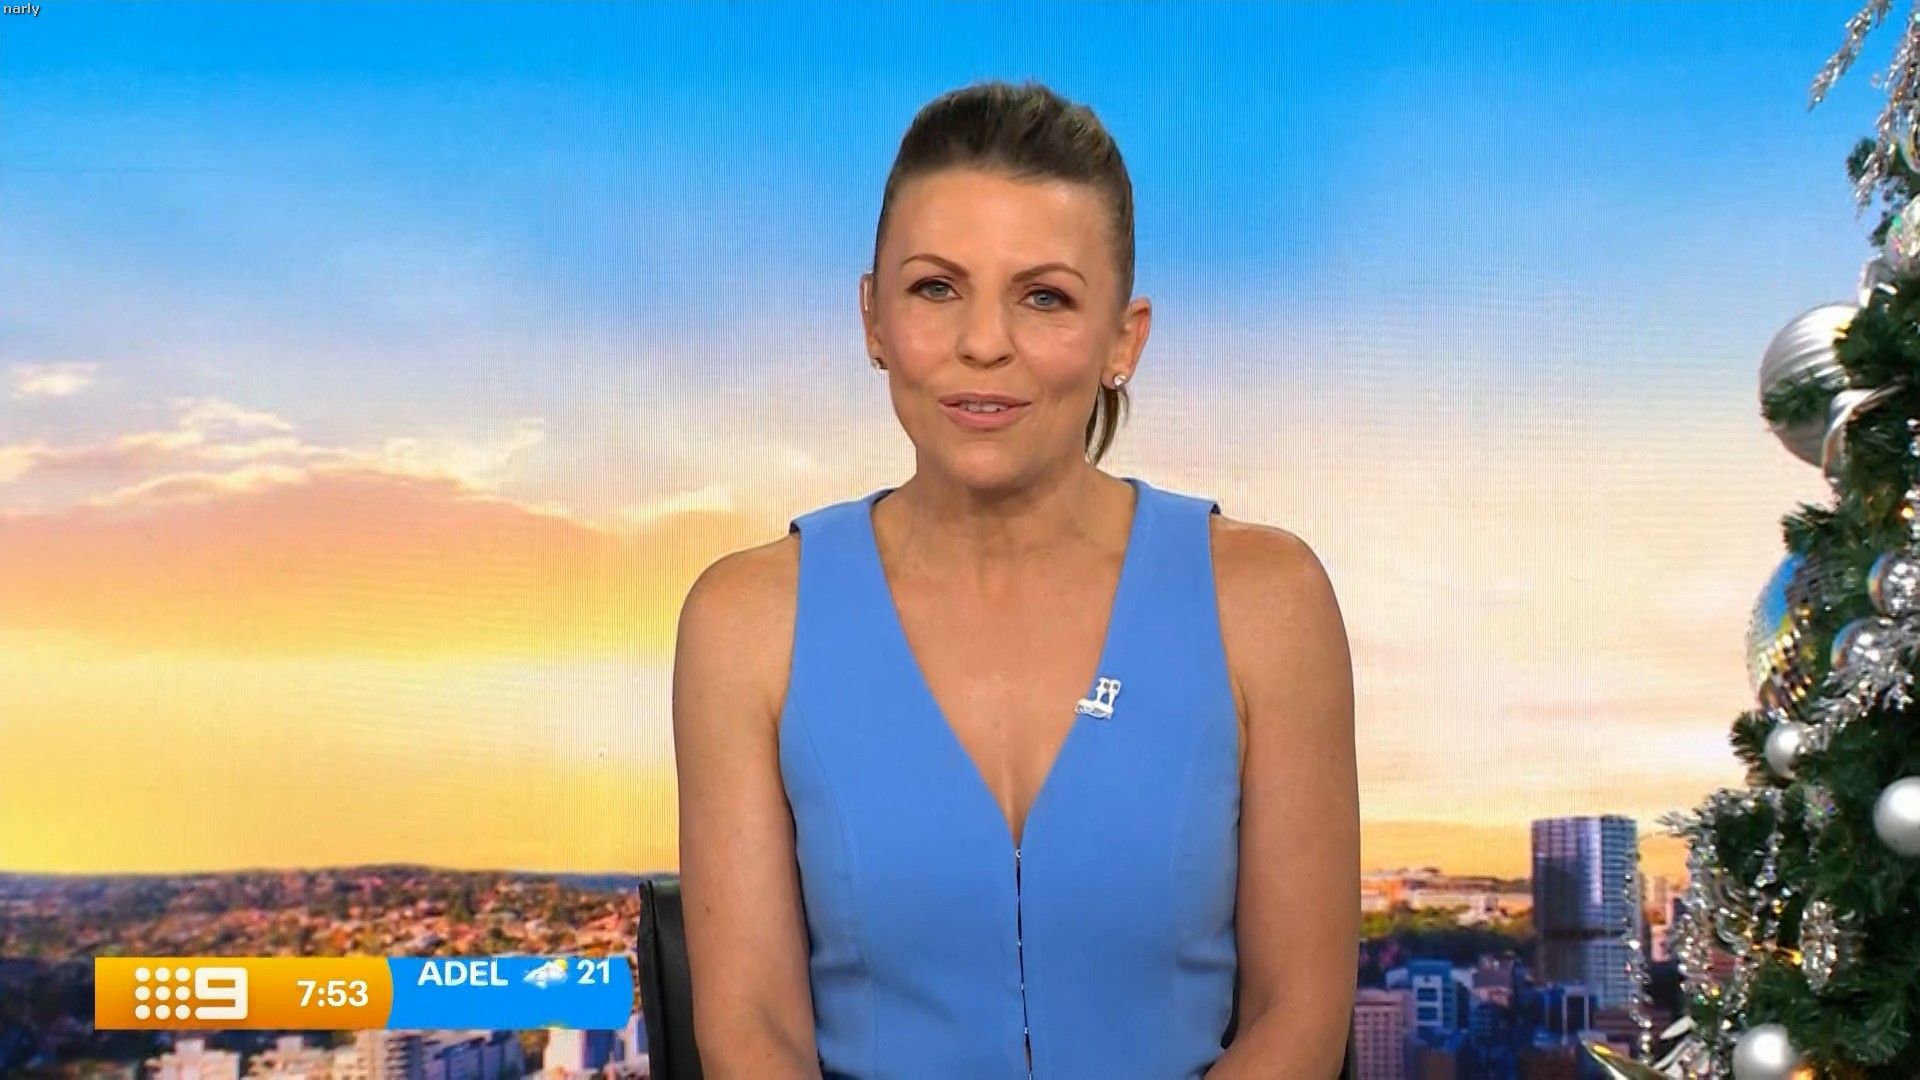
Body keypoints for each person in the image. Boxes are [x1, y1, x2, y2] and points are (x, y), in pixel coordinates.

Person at [673, 79, 1358, 1079]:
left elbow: (1299, 1018)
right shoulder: (745, 623)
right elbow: (751, 1036)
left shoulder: (1267, 603)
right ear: (872, 319)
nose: (984, 342)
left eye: (1044, 297)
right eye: (935, 288)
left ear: (1124, 339)